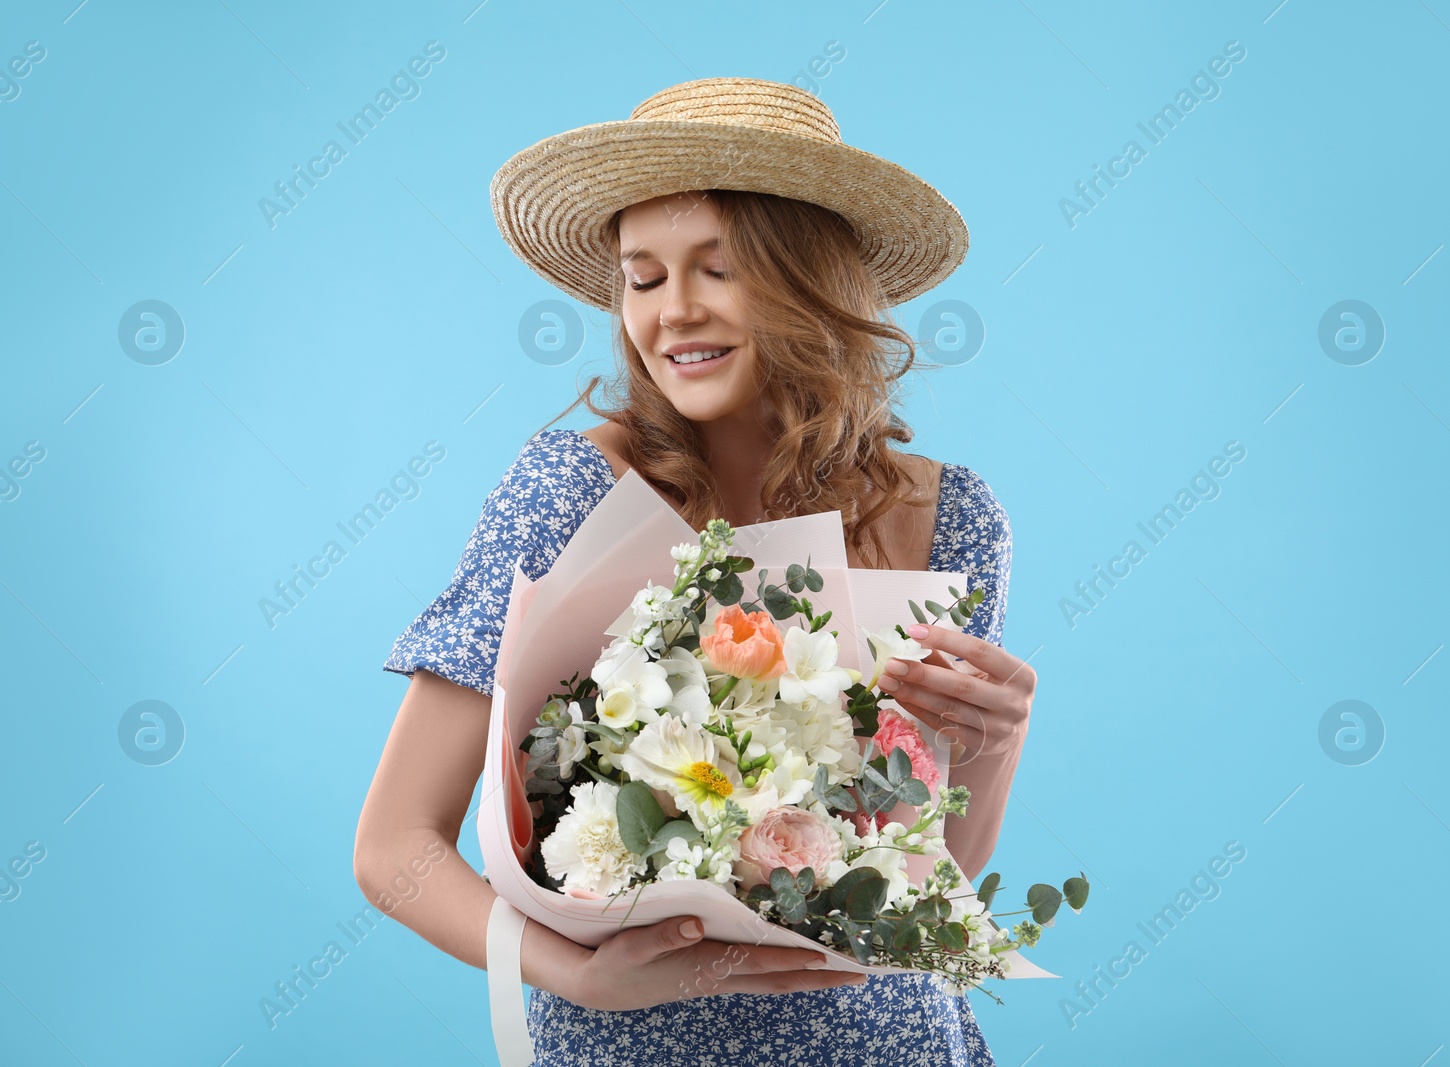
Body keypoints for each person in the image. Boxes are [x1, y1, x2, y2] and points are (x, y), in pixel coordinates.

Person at [354, 76, 1037, 1066]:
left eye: (716, 269)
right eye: (641, 277)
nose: (672, 312)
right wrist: (575, 971)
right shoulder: (566, 493)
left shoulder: (952, 518)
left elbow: (924, 883)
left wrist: (996, 745)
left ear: (812, 284)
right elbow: (392, 849)